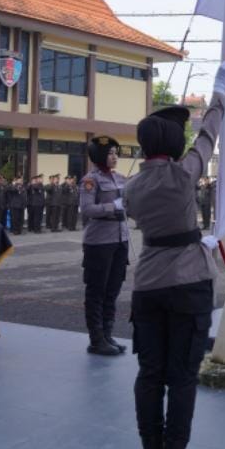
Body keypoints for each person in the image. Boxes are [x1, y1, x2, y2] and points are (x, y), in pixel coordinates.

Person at [123, 61, 225, 449]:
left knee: (150, 374)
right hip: (188, 282)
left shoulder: (131, 187)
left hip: (148, 286)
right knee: (183, 377)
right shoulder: (184, 173)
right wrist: (220, 94)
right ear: (172, 143)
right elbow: (208, 135)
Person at [78, 136, 130, 356]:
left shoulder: (121, 178)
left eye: (115, 152)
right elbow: (87, 209)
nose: (114, 156)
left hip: (120, 238)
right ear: (99, 156)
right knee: (97, 291)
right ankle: (96, 339)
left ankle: (108, 335)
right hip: (99, 241)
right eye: (110, 153)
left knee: (113, 290)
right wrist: (112, 207)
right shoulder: (90, 180)